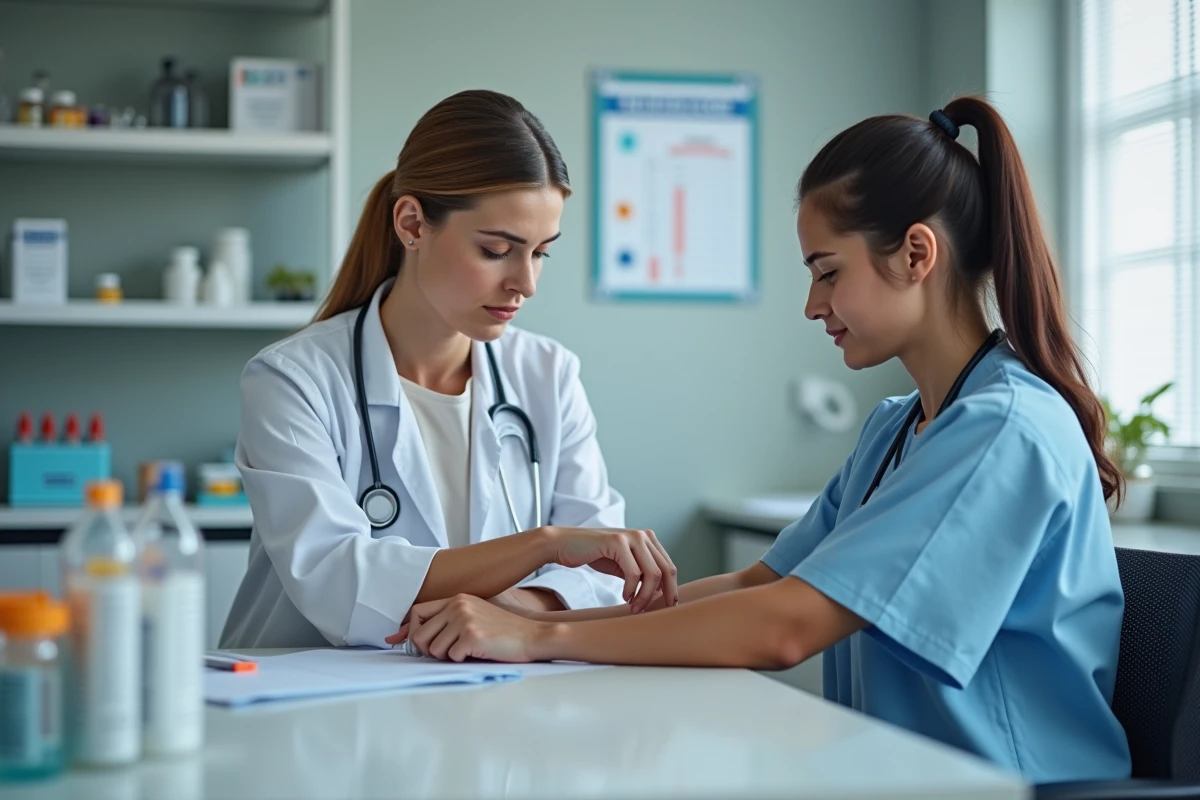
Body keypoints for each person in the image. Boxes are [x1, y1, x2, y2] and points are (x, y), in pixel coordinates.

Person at [387, 97, 1133, 784]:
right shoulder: (897, 428)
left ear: (916, 253)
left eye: (827, 272)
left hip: (1008, 785)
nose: (812, 305)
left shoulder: (1002, 430)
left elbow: (784, 628)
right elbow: (761, 584)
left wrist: (538, 640)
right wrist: (537, 620)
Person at [221, 90, 677, 650]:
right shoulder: (293, 380)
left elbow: (603, 576)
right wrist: (544, 546)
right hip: (308, 712)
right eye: (496, 250)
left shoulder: (547, 374)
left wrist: (511, 610)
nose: (525, 283)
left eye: (540, 252)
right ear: (412, 224)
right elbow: (340, 586)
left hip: (486, 705)